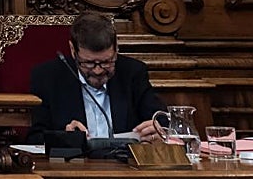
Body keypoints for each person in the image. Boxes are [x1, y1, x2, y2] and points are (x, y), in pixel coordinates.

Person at [26, 11, 163, 145]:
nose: (98, 71)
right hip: (74, 165)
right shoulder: (48, 76)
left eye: (106, 62)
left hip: (125, 163)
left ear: (116, 49)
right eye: (89, 63)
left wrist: (157, 130)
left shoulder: (133, 72)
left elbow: (162, 121)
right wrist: (66, 138)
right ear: (73, 50)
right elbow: (35, 137)